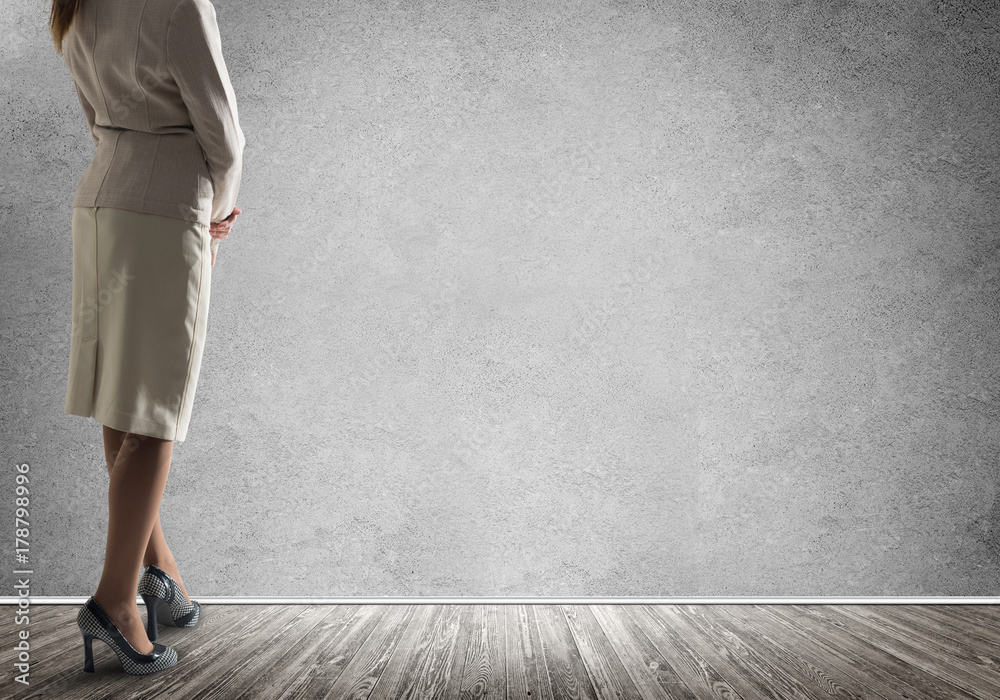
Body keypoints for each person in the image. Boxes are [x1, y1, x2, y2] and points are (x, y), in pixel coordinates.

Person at [49, 0, 245, 675]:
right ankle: (114, 602)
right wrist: (219, 212)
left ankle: (158, 569)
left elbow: (91, 114)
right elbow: (223, 134)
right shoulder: (180, 5)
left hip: (100, 201)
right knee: (157, 409)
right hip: (165, 208)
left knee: (120, 396)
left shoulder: (75, 6)